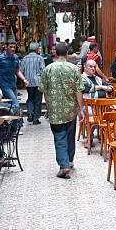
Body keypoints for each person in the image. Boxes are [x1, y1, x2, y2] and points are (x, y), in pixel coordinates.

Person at [39, 42, 84, 179]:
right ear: (67, 53)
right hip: (70, 109)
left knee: (60, 137)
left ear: (56, 53)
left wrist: (49, 106)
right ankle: (69, 161)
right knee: (70, 136)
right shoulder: (73, 69)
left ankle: (64, 165)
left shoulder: (48, 69)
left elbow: (45, 91)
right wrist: (81, 109)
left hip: (55, 110)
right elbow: (78, 90)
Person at [0, 39, 29, 120]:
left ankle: (12, 127)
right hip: (4, 85)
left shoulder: (15, 58)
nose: (12, 49)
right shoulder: (0, 58)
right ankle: (9, 122)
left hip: (13, 85)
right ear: (6, 47)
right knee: (15, 105)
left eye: (14, 47)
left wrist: (24, 79)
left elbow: (17, 71)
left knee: (11, 105)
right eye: (10, 47)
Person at [20, 42, 45, 125]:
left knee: (30, 98)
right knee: (37, 100)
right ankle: (35, 119)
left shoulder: (25, 58)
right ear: (37, 49)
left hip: (28, 82)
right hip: (38, 82)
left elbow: (21, 70)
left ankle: (30, 112)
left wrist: (24, 79)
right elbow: (43, 70)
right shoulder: (40, 58)